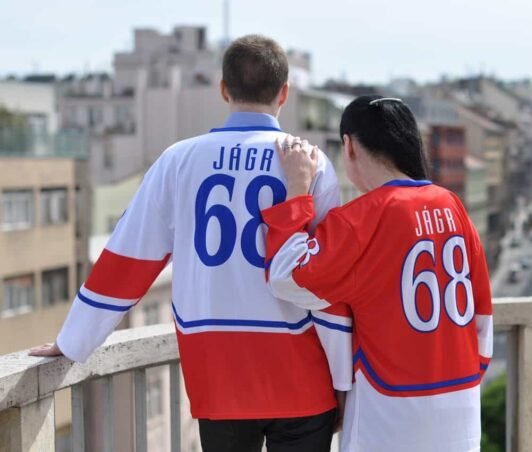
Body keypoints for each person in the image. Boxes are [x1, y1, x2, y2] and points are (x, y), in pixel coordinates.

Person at [29, 35, 352, 452]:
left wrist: (72, 340)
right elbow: (327, 284)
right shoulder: (312, 163)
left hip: (218, 375)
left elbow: (127, 260)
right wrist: (342, 379)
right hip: (302, 375)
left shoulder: (177, 160)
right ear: (284, 93)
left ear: (223, 88)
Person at [262, 95, 493, 452]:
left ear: (349, 146)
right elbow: (482, 316)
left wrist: (297, 189)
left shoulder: (361, 218)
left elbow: (286, 275)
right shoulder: (452, 205)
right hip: (461, 402)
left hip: (390, 406)